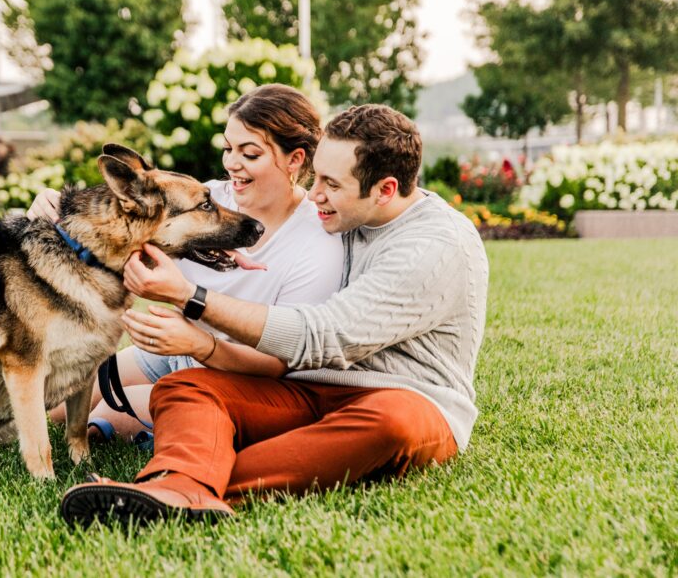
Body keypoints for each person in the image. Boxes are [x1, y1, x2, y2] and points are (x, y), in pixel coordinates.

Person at [59, 104, 490, 525]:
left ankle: (188, 484)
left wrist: (192, 296)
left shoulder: (435, 246)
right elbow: (156, 207)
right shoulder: (345, 213)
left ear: (385, 190)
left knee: (390, 422)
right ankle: (178, 486)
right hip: (308, 388)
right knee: (190, 385)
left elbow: (323, 336)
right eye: (316, 175)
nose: (314, 193)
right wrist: (63, 207)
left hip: (404, 397)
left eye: (330, 184)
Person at [31, 84, 343, 441]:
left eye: (250, 153)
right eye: (228, 148)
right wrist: (55, 207)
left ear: (295, 159)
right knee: (57, 401)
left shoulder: (318, 242)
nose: (231, 164)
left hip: (243, 376)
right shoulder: (209, 197)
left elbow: (276, 364)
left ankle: (158, 430)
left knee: (109, 413)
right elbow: (121, 224)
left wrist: (198, 342)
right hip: (175, 352)